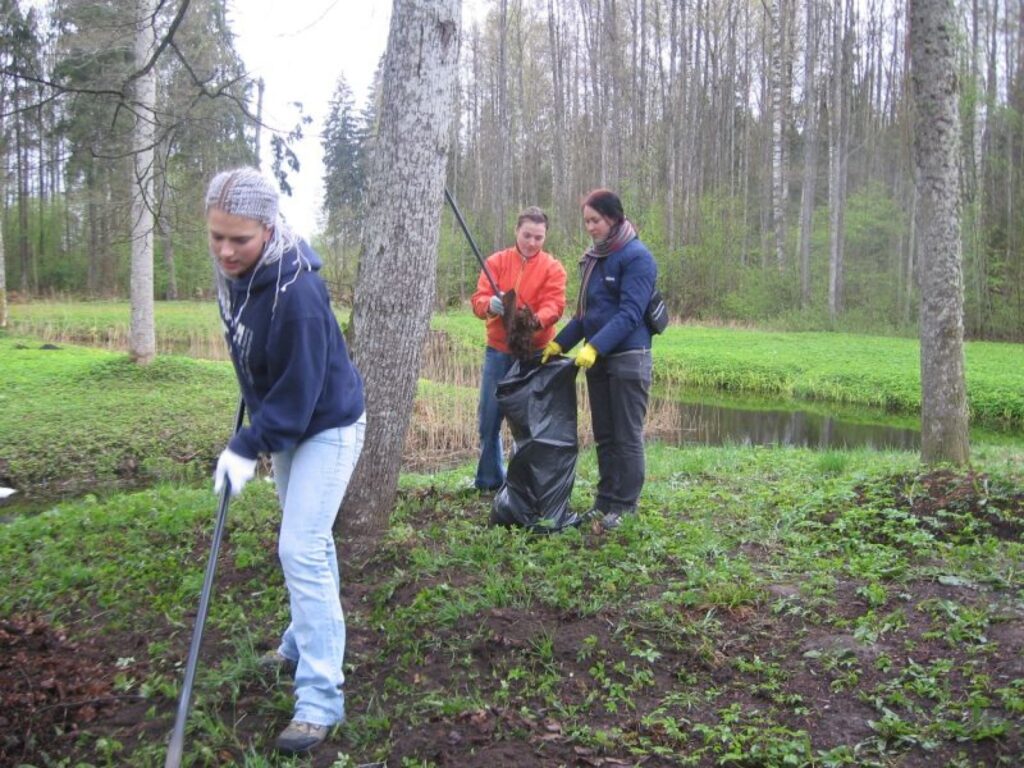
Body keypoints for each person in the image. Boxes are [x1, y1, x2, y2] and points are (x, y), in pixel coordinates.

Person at [206, 167, 366, 756]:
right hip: (288, 420)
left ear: (268, 229)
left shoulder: (296, 291)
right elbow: (257, 356)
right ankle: (300, 640)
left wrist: (249, 442)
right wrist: (252, 404)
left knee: (299, 546)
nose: (225, 250)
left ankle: (321, 699)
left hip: (327, 424)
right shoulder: (239, 274)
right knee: (310, 545)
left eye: (239, 239)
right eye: (217, 236)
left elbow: (298, 396)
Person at [541, 189, 656, 530]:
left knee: (627, 436)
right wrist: (559, 344)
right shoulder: (594, 258)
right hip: (599, 360)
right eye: (587, 221)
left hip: (628, 358)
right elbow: (585, 316)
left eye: (595, 220)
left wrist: (595, 347)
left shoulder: (637, 257)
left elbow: (630, 313)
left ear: (614, 218)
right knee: (605, 434)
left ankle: (625, 506)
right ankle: (604, 501)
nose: (590, 227)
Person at [470, 206, 567, 491]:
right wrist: (490, 305)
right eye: (527, 235)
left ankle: (521, 483)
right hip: (498, 351)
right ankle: (489, 481)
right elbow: (478, 299)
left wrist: (536, 320)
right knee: (489, 418)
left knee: (529, 423)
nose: (532, 243)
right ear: (516, 231)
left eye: (539, 237)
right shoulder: (496, 262)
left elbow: (555, 304)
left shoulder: (553, 268)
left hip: (534, 353)